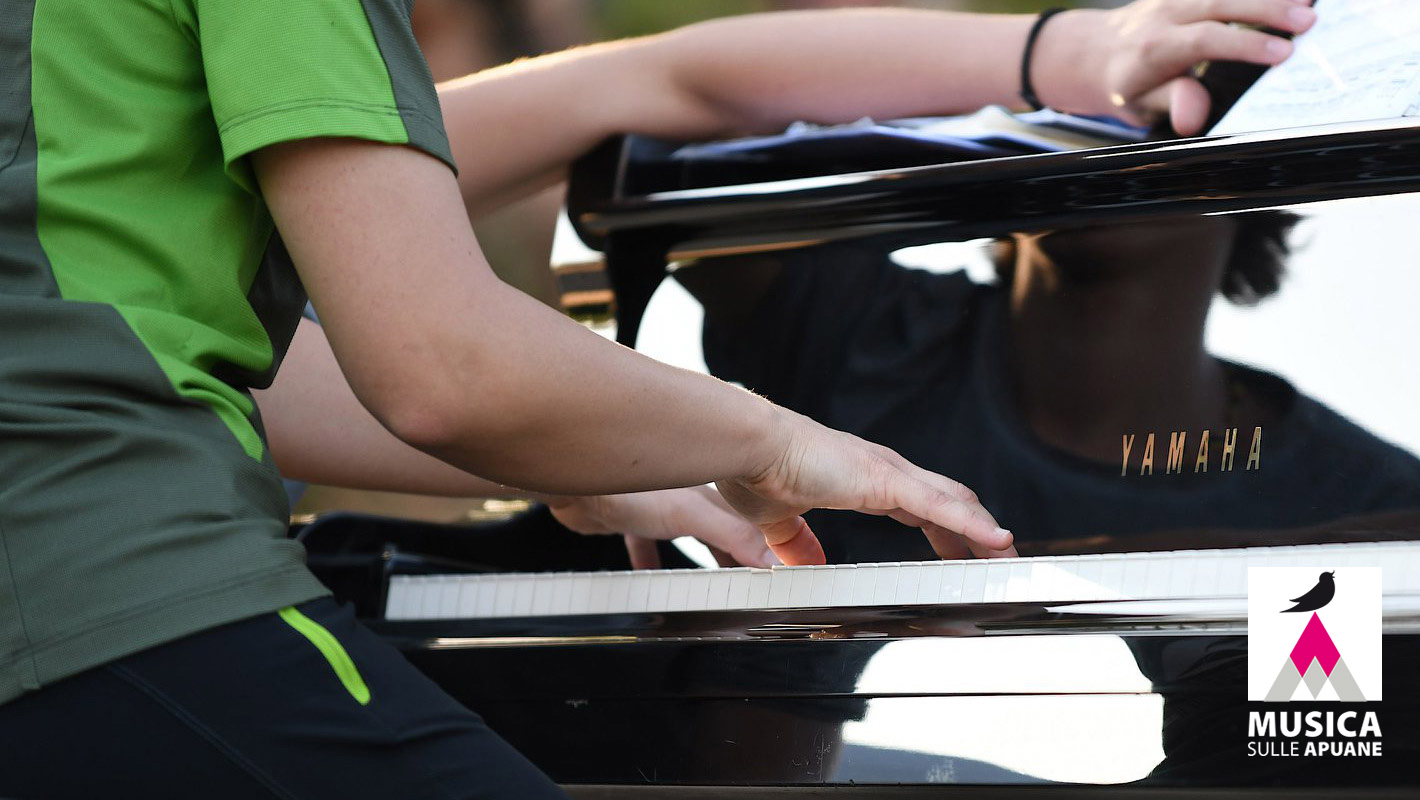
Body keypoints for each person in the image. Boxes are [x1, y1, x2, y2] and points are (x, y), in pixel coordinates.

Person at [0, 0, 1316, 796]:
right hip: (107, 605)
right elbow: (443, 369)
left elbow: (183, 362)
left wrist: (590, 446)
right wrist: (771, 438)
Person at [682, 211, 1420, 563]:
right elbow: (654, 166)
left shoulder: (1378, 502)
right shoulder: (860, 323)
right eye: (1077, 98)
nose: (1116, 111)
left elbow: (1300, 753)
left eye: (1168, 103)